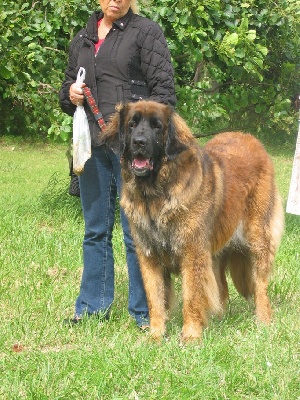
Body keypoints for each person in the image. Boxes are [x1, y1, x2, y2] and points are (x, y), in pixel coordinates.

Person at [59, 0, 176, 329]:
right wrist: (70, 93)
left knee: (135, 233)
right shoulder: (83, 37)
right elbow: (65, 92)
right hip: (92, 147)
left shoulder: (146, 32)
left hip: (133, 151)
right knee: (95, 231)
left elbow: (165, 95)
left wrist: (144, 136)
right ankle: (93, 308)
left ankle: (145, 312)